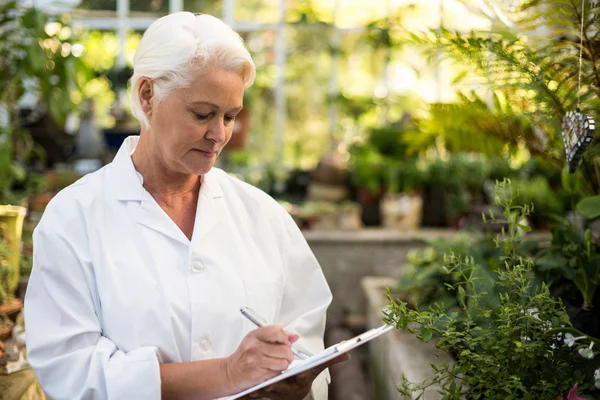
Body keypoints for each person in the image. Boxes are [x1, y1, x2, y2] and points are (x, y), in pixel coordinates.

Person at [24, 12, 346, 400]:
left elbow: (305, 333)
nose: (219, 135)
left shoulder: (262, 216)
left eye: (230, 117)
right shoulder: (74, 218)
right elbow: (71, 371)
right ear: (147, 96)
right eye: (202, 114)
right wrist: (227, 374)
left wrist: (292, 377)